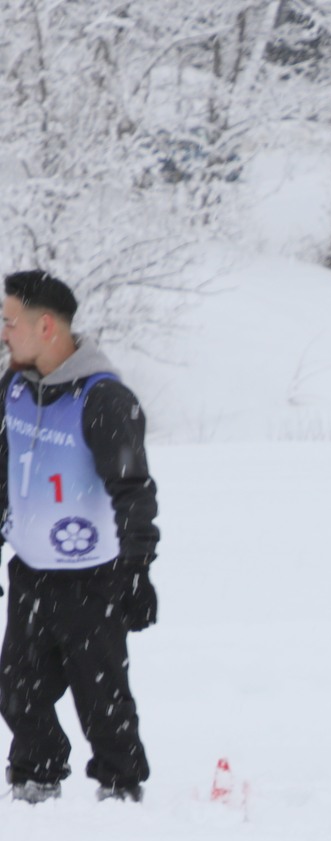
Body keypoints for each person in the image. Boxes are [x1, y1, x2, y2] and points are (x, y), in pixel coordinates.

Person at [0, 270, 159, 803]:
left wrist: (137, 570)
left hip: (92, 579)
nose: (3, 333)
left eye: (10, 322)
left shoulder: (104, 399)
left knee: (101, 695)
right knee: (16, 688)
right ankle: (36, 776)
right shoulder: (12, 389)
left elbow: (134, 491)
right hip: (30, 572)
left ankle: (120, 788)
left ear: (46, 326)